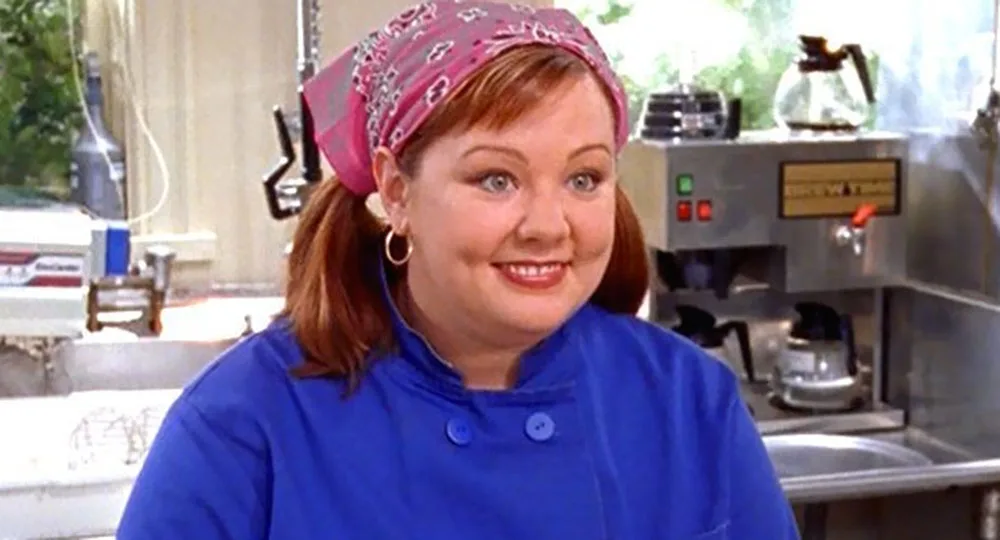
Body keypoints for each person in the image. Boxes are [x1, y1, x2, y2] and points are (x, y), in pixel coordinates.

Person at [116, 1, 798, 538]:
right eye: (496, 179)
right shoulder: (245, 425)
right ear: (397, 191)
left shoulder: (688, 403)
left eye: (584, 178)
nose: (547, 225)